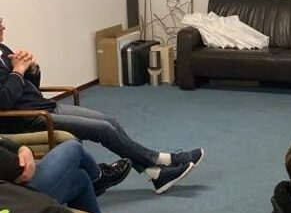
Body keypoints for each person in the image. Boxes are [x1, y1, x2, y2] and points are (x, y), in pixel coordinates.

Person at [0, 18, 203, 194]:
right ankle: (162, 160)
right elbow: (4, 101)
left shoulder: (3, 50)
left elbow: (30, 87)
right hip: (28, 118)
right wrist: (18, 71)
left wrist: (32, 69)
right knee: (103, 129)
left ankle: (155, 172)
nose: (3, 26)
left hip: (45, 106)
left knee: (109, 121)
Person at [0, 137, 131, 213]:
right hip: (14, 204)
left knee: (80, 178)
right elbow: (22, 171)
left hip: (13, 190)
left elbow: (4, 142)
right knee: (73, 147)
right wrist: (25, 152)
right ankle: (98, 178)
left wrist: (23, 149)